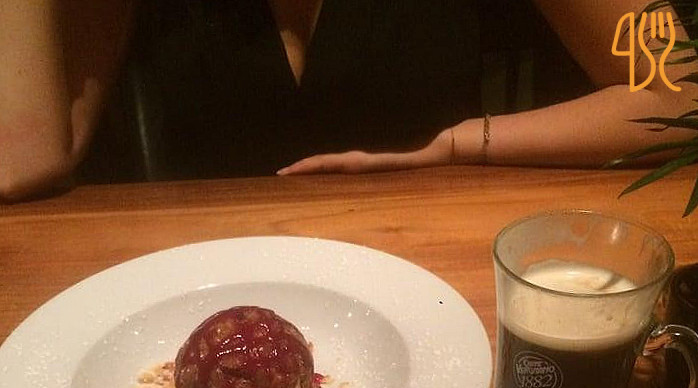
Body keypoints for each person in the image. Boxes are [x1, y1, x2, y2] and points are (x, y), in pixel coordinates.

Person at [0, 0, 694, 201]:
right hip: (196, 325)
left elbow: (679, 89)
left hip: (433, 290)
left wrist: (456, 143)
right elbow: (20, 157)